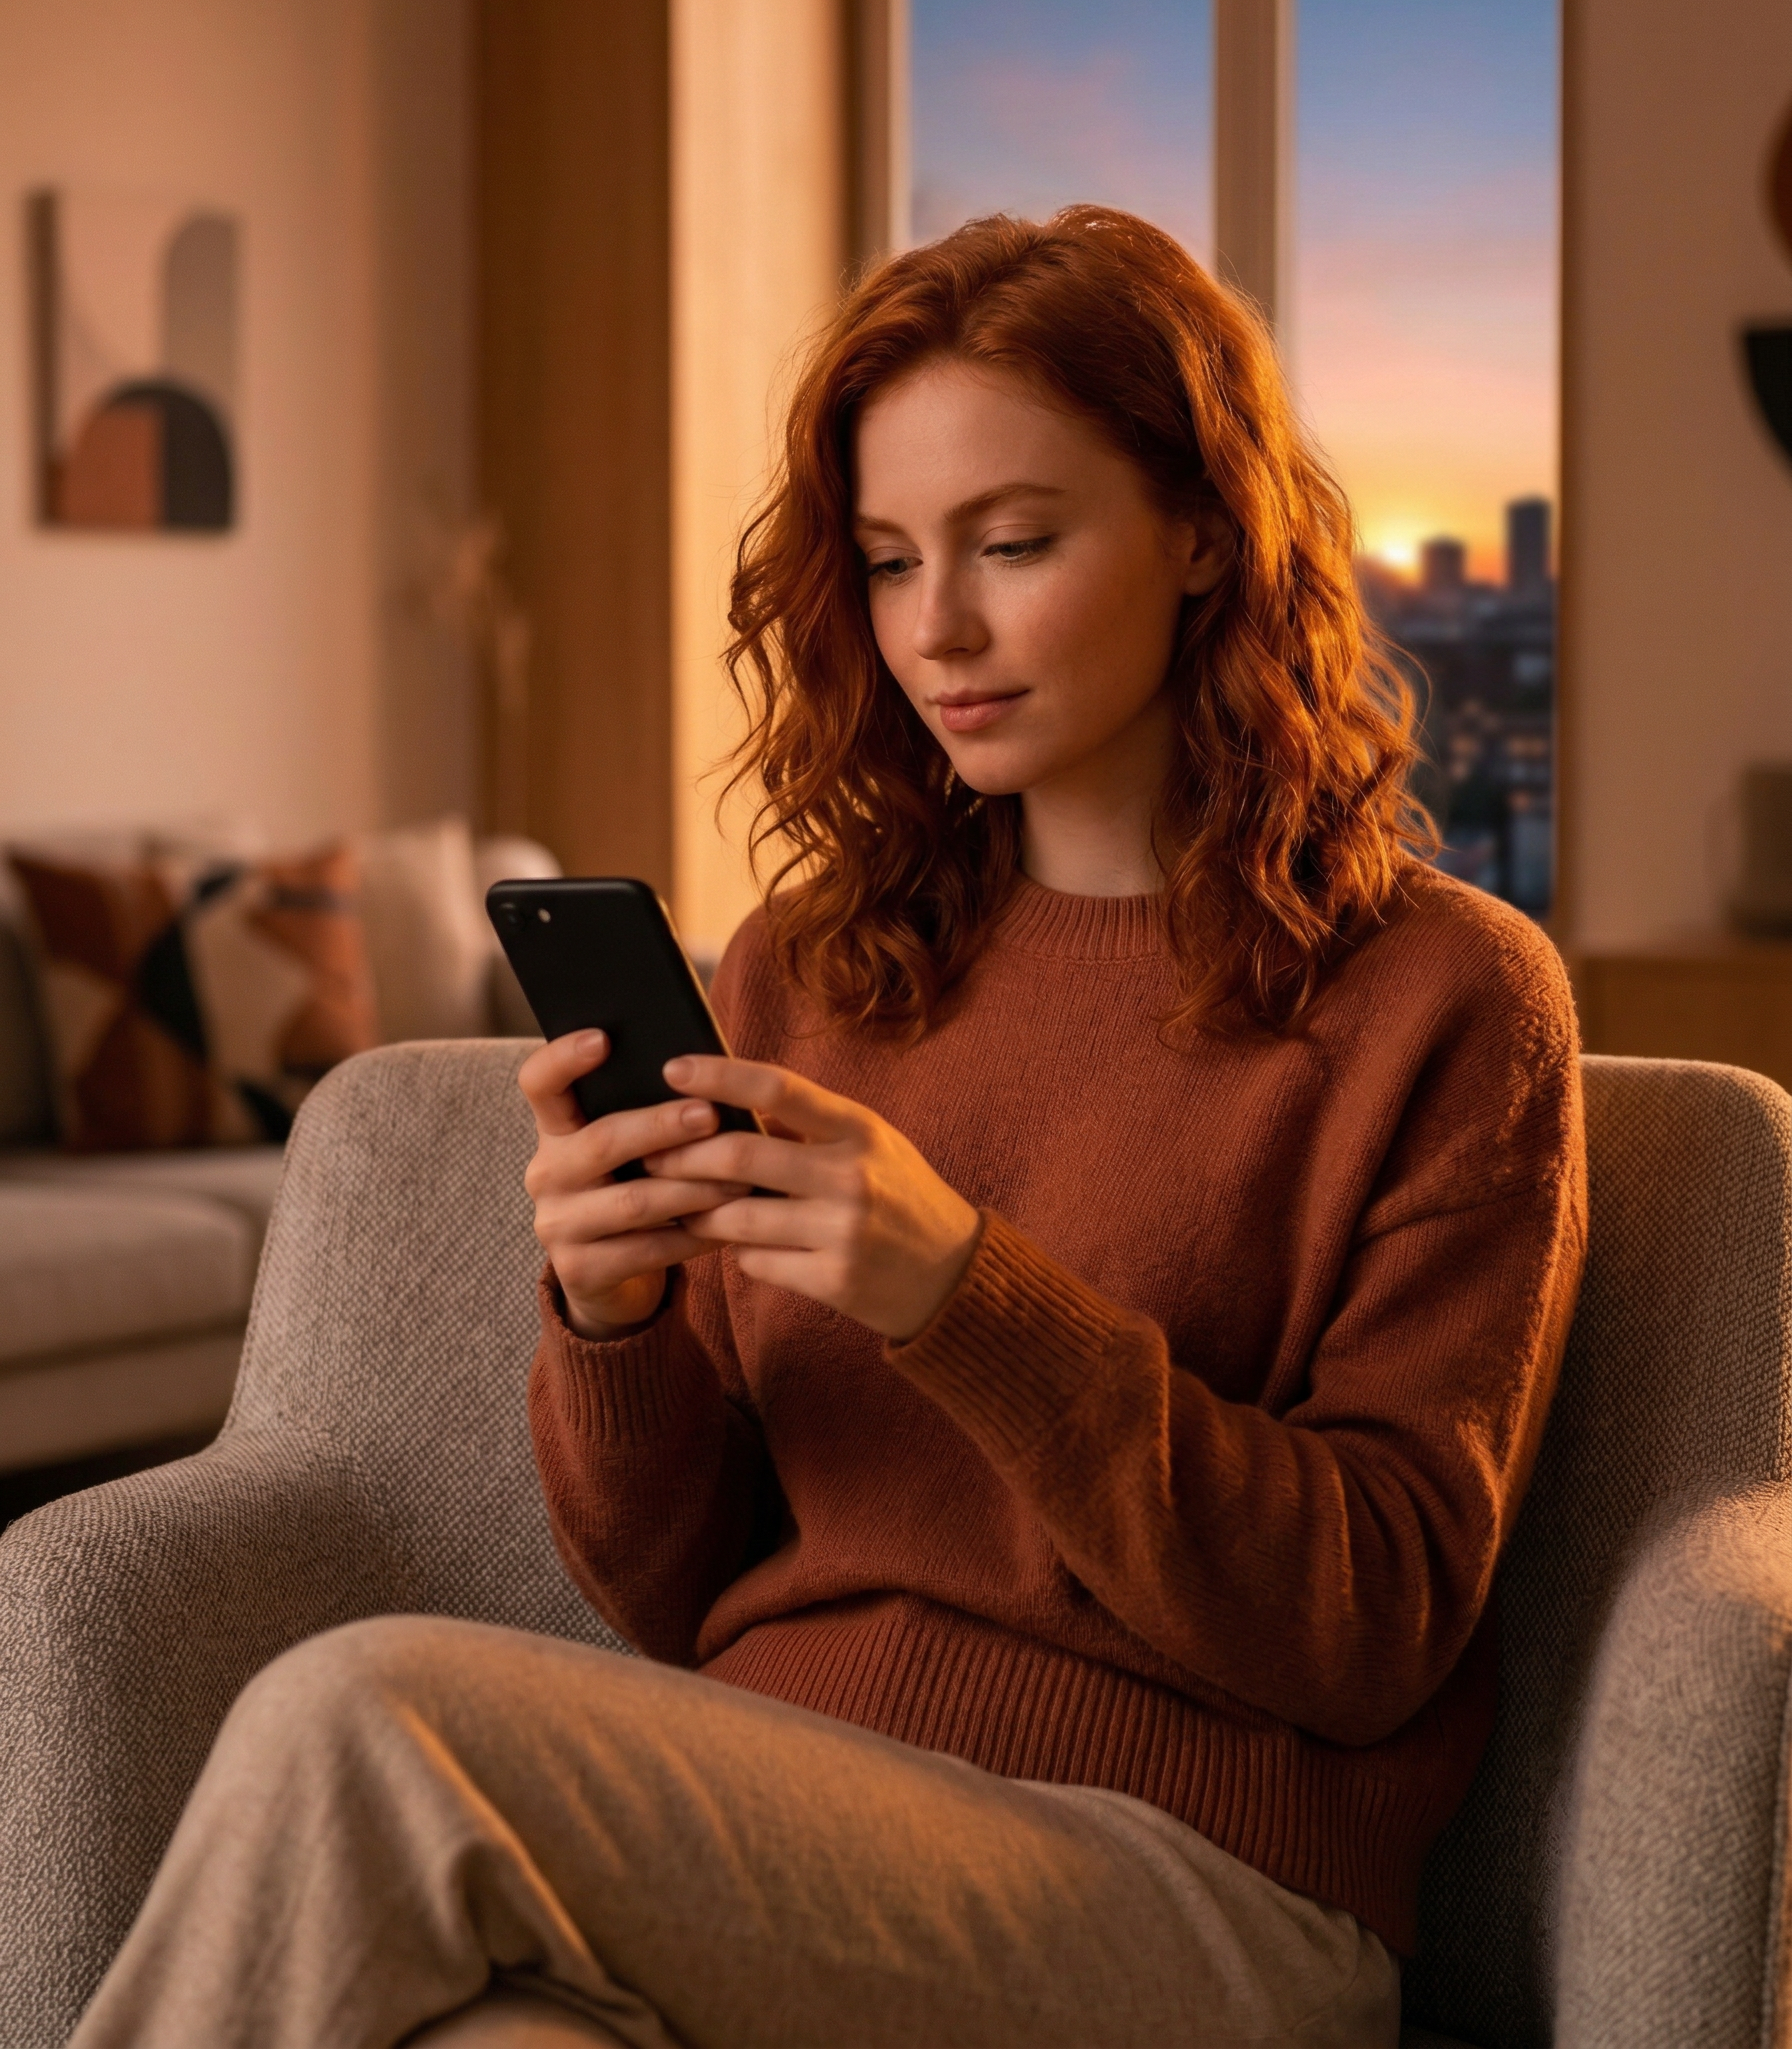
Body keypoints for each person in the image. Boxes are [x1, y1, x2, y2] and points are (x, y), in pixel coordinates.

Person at [72, 208, 1585, 2049]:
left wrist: (963, 1293)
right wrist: (615, 1321)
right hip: (769, 1829)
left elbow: (1373, 1627)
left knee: (359, 1716)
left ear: (1205, 533)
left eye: (1012, 544)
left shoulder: (1444, 1000)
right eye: (886, 561)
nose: (937, 628)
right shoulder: (814, 969)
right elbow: (674, 1595)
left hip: (1196, 1885)